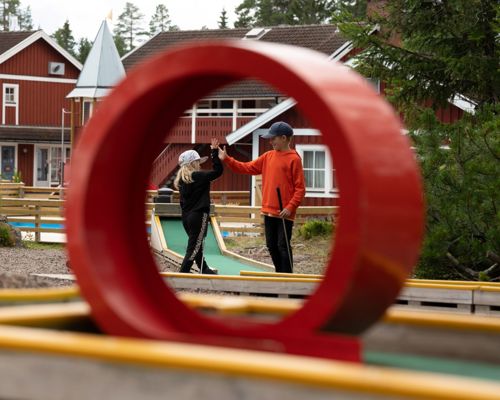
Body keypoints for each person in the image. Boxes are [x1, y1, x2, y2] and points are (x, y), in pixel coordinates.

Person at [218, 121, 305, 273]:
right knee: (271, 245)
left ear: (284, 138)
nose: (270, 141)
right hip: (268, 210)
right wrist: (227, 159)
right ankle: (280, 274)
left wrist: (290, 207)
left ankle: (289, 278)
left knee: (283, 245)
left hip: (285, 213)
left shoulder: (294, 159)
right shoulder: (267, 156)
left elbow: (300, 189)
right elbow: (247, 167)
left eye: (273, 138)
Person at [174, 138, 222, 274]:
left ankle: (204, 268)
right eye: (198, 162)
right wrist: (214, 153)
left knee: (197, 245)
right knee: (194, 247)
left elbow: (182, 203)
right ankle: (183, 273)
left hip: (186, 218)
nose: (199, 164)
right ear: (193, 163)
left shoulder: (181, 180)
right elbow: (218, 171)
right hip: (199, 215)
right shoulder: (198, 176)